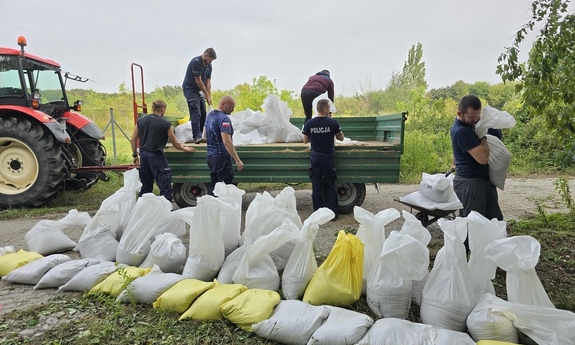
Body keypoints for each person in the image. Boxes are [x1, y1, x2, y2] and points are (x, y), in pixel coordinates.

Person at [450, 95, 503, 221]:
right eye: (472, 117)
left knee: (495, 220)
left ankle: (491, 241)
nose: (475, 119)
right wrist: (484, 138)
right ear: (460, 113)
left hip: (482, 181)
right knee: (475, 223)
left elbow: (460, 150)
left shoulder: (469, 125)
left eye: (478, 116)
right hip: (470, 183)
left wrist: (454, 161)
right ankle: (467, 241)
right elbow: (483, 158)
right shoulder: (461, 131)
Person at [130, 99, 195, 201]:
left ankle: (142, 209)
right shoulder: (166, 124)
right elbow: (176, 144)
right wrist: (184, 149)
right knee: (164, 184)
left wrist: (135, 155)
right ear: (163, 109)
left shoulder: (141, 121)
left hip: (143, 156)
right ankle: (166, 210)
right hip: (156, 156)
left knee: (146, 185)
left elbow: (132, 139)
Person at [302, 99, 344, 220]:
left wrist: (315, 137)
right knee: (330, 185)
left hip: (315, 157)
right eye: (329, 108)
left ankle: (318, 215)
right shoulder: (333, 123)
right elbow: (341, 138)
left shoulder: (309, 123)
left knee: (317, 186)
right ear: (326, 109)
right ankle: (333, 214)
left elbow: (305, 140)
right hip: (328, 158)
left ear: (317, 109)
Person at [203, 95, 244, 191]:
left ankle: (213, 204)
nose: (233, 109)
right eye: (231, 107)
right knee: (224, 187)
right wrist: (237, 160)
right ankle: (222, 205)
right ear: (223, 104)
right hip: (222, 158)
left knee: (215, 186)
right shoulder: (224, 119)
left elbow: (204, 136)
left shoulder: (210, 116)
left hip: (211, 157)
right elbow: (227, 142)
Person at [182, 47, 217, 144]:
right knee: (195, 110)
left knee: (203, 113)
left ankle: (202, 135)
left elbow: (208, 81)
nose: (211, 62)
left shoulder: (209, 66)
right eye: (210, 59)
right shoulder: (196, 62)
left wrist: (208, 96)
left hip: (199, 91)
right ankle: (196, 137)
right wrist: (205, 93)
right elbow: (198, 81)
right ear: (205, 55)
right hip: (190, 89)